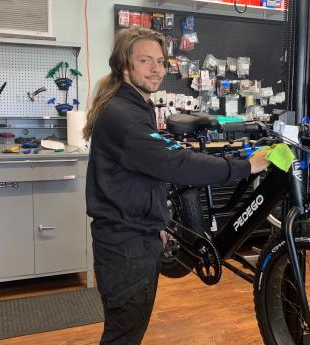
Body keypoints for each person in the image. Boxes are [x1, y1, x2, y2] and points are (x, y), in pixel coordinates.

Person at [83, 26, 270, 345]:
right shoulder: (124, 116)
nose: (156, 69)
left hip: (131, 237)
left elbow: (143, 173)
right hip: (126, 249)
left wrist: (156, 222)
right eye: (145, 60)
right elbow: (174, 164)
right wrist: (244, 167)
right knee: (123, 335)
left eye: (160, 61)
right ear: (125, 66)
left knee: (126, 330)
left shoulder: (134, 105)